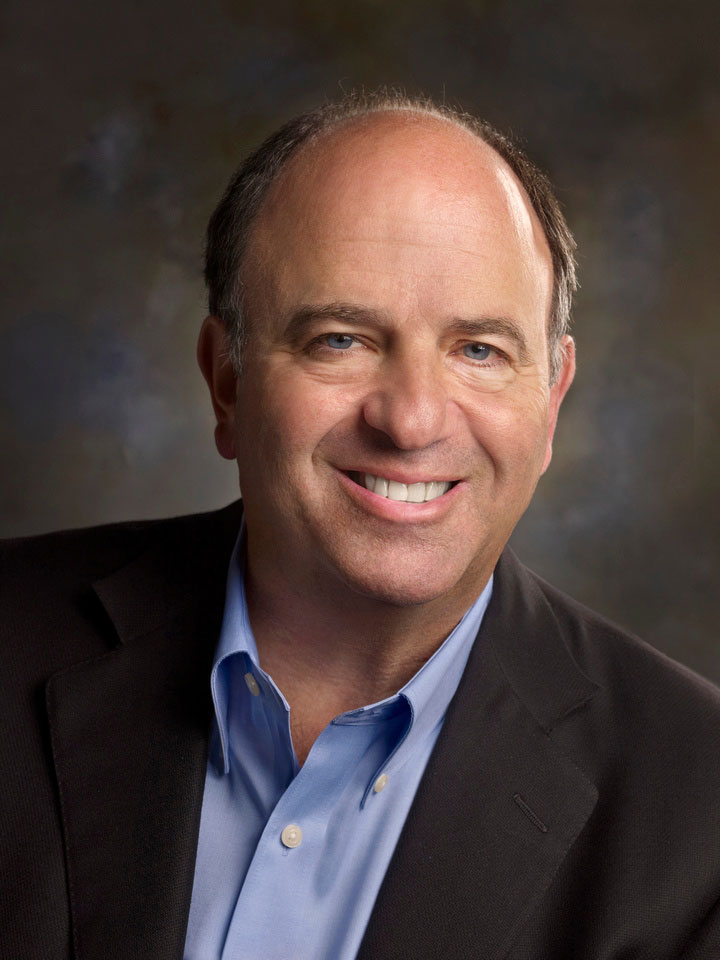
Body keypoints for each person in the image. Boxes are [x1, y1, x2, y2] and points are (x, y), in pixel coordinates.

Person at [2, 92, 719, 960]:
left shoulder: (697, 809)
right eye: (340, 340)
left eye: (480, 350)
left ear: (552, 398)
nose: (412, 420)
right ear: (226, 382)